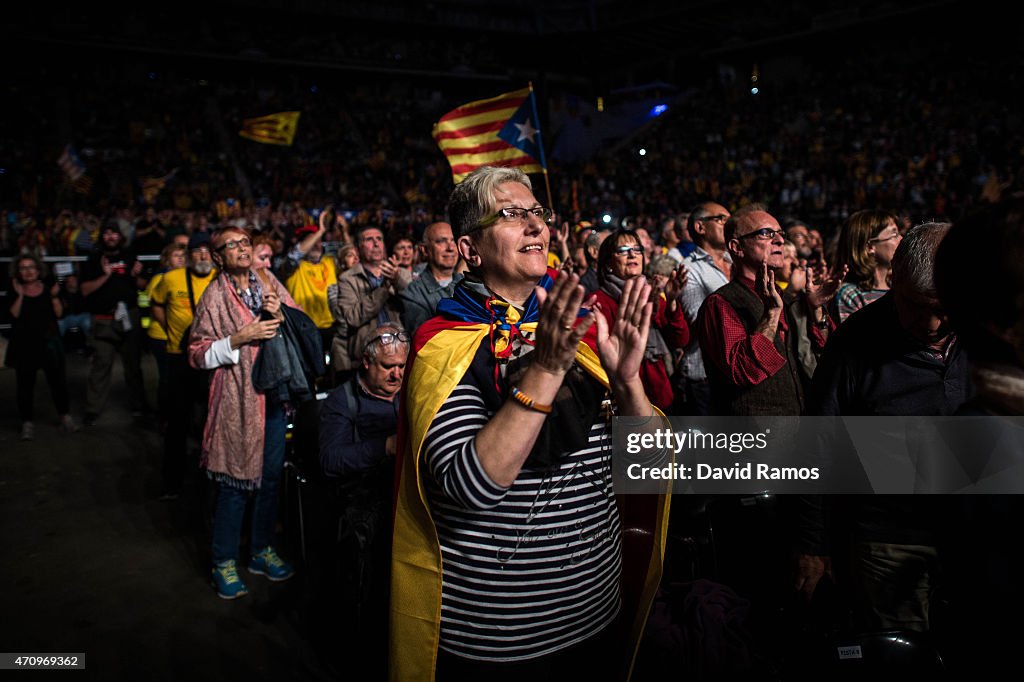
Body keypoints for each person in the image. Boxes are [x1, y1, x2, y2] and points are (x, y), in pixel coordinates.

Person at [390, 166, 670, 681]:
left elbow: (650, 468)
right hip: (501, 638)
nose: (536, 226)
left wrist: (629, 384)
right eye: (512, 214)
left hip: (597, 611)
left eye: (537, 213)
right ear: (470, 249)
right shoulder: (442, 342)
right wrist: (545, 370)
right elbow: (469, 486)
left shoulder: (579, 331)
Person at [798, 222, 968, 636]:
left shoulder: (994, 331)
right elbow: (819, 445)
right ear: (894, 279)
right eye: (915, 305)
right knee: (902, 652)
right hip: (887, 537)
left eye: (943, 308)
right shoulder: (856, 342)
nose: (930, 324)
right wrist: (813, 545)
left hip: (975, 531)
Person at [187, 227, 298, 599]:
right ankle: (224, 561)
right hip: (238, 403)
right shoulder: (214, 295)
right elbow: (197, 353)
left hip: (274, 397)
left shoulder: (267, 280)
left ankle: (260, 551)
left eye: (245, 242)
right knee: (234, 485)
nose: (241, 248)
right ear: (218, 257)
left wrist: (279, 312)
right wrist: (239, 338)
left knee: (268, 482)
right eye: (230, 245)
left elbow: (296, 318)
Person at [318, 323, 409, 665]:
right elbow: (330, 460)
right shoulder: (342, 402)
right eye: (389, 367)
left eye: (402, 365)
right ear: (367, 364)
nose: (397, 373)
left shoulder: (408, 390)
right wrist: (383, 447)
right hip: (362, 504)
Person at [696, 205, 843, 416]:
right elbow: (743, 371)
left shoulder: (789, 300)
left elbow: (828, 356)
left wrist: (815, 310)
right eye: (766, 234)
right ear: (737, 247)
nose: (780, 240)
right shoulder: (721, 303)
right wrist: (772, 314)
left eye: (780, 234)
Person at [590, 228, 689, 412]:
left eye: (637, 250)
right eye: (623, 250)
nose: (632, 255)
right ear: (609, 262)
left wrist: (673, 301)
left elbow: (680, 340)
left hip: (661, 395)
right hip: (624, 400)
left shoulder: (653, 295)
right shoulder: (598, 302)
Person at [151, 232, 217, 500]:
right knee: (177, 423)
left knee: (211, 422)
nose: (202, 256)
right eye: (197, 251)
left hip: (213, 359)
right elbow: (155, 304)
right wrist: (171, 332)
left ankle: (210, 479)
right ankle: (172, 483)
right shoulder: (171, 278)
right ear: (189, 255)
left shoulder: (220, 280)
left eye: (207, 251)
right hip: (180, 358)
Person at [80, 223, 148, 425]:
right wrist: (105, 275)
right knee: (101, 365)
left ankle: (139, 406)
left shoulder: (130, 255)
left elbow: (142, 286)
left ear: (120, 236)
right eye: (107, 233)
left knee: (133, 366)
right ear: (102, 237)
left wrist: (138, 276)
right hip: (103, 319)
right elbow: (84, 290)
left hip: (129, 316)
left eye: (114, 233)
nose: (111, 237)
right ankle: (93, 409)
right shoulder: (94, 259)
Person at [6, 254, 77, 439]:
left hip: (48, 342)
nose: (28, 271)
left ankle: (65, 416)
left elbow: (59, 314)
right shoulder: (14, 289)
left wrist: (54, 296)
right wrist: (20, 295)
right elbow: (12, 315)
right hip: (24, 344)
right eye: (23, 268)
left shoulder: (47, 289)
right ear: (18, 271)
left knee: (57, 382)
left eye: (31, 267)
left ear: (38, 270)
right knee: (25, 385)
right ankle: (27, 422)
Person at [674, 202, 733, 415]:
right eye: (721, 219)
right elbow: (700, 321)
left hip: (737, 369)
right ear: (700, 227)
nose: (730, 223)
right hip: (706, 374)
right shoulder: (689, 269)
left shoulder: (736, 262)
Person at [330, 225, 411, 381]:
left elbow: (415, 305)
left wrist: (397, 280)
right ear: (359, 248)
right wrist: (383, 289)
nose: (376, 244)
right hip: (368, 354)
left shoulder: (401, 273)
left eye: (379, 239)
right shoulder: (348, 279)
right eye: (369, 240)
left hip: (401, 349)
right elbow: (352, 318)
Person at [831, 210, 902, 323]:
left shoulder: (898, 288)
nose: (901, 239)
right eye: (894, 234)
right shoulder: (851, 295)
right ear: (870, 247)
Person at [144, 243, 187, 425]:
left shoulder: (186, 278)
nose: (180, 258)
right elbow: (155, 307)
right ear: (166, 259)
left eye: (183, 255)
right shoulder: (161, 279)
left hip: (180, 338)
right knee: (167, 378)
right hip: (163, 337)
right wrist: (171, 328)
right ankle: (164, 416)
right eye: (176, 255)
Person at [399, 221, 462, 336]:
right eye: (441, 241)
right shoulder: (413, 295)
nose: (450, 248)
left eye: (453, 240)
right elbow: (426, 341)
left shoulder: (470, 285)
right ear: (425, 250)